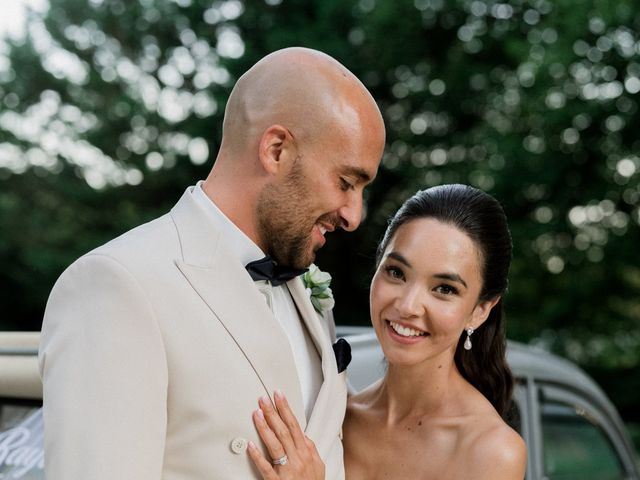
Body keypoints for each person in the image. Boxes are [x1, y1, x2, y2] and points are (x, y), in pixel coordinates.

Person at [38, 47, 386, 479]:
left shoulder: (306, 291)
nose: (354, 215)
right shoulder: (117, 285)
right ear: (276, 150)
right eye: (346, 182)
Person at [248, 184, 527, 479]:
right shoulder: (339, 416)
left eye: (444, 289)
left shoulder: (492, 452)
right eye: (396, 272)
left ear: (480, 310)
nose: (408, 305)